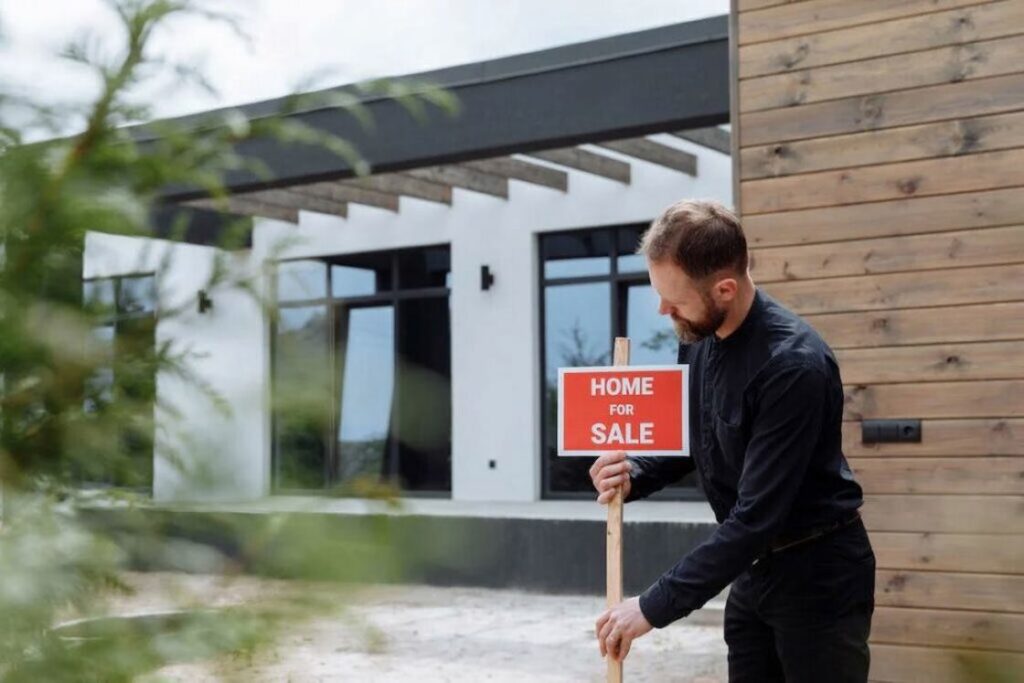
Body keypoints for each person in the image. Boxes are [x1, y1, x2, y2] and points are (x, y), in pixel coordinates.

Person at [590, 199, 875, 682]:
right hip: (752, 574)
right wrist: (634, 473)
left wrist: (652, 607)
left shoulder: (794, 366)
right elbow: (692, 435)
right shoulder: (697, 334)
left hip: (818, 579)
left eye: (674, 299)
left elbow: (755, 519)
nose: (663, 310)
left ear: (725, 288)